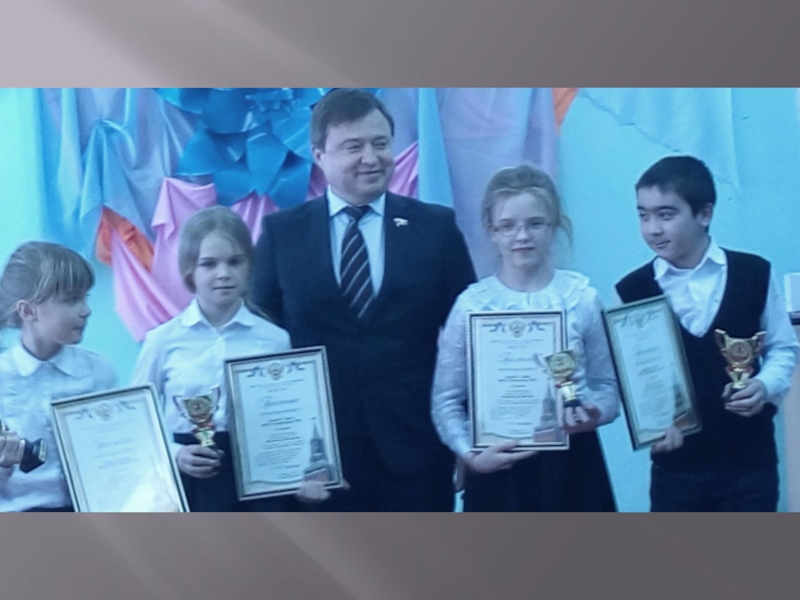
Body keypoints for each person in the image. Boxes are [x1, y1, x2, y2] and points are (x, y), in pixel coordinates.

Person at [250, 88, 477, 511]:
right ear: (319, 155)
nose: (371, 158)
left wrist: (468, 438)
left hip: (418, 456)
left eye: (380, 143)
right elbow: (257, 347)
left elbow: (469, 342)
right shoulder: (283, 235)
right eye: (353, 146)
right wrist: (275, 456)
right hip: (316, 465)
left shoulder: (436, 229)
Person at [616, 155, 800, 512]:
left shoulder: (754, 273)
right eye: (643, 215)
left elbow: (782, 348)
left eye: (666, 215)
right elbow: (631, 377)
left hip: (749, 467)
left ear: (704, 214)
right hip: (676, 471)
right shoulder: (631, 291)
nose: (652, 229)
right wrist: (649, 427)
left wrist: (764, 386)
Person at [431, 164, 619, 511]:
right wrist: (470, 455)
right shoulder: (472, 306)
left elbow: (607, 387)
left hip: (573, 469)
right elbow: (445, 400)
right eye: (508, 226)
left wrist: (594, 412)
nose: (522, 236)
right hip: (497, 470)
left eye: (535, 223)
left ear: (554, 225)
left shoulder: (581, 299)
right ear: (491, 230)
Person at [132, 206, 328, 511]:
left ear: (249, 265)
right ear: (189, 271)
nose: (223, 273)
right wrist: (175, 453)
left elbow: (295, 415)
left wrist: (309, 471)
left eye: (235, 261)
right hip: (193, 475)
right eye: (209, 264)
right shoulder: (162, 340)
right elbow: (136, 419)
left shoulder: (274, 339)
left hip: (262, 476)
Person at [0, 241, 117, 512]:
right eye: (72, 299)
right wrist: (4, 463)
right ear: (28, 311)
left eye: (86, 297)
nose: (86, 309)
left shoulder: (99, 372)